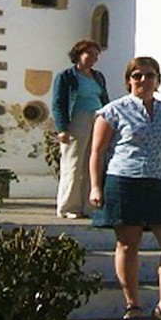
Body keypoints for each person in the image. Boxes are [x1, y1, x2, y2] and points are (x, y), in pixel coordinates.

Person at [88, 56, 161, 320]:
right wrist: (96, 186)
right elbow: (97, 151)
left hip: (159, 184)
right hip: (124, 180)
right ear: (128, 80)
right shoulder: (112, 111)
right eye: (137, 75)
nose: (143, 80)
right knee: (128, 244)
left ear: (158, 80)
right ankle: (132, 303)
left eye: (149, 75)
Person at [51, 40, 109, 219]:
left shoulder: (98, 77)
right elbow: (58, 104)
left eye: (96, 55)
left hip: (98, 119)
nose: (93, 58)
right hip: (77, 120)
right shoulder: (66, 76)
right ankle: (69, 207)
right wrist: (62, 128)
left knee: (93, 164)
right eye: (89, 54)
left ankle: (89, 206)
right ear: (78, 55)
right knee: (73, 164)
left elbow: (105, 99)